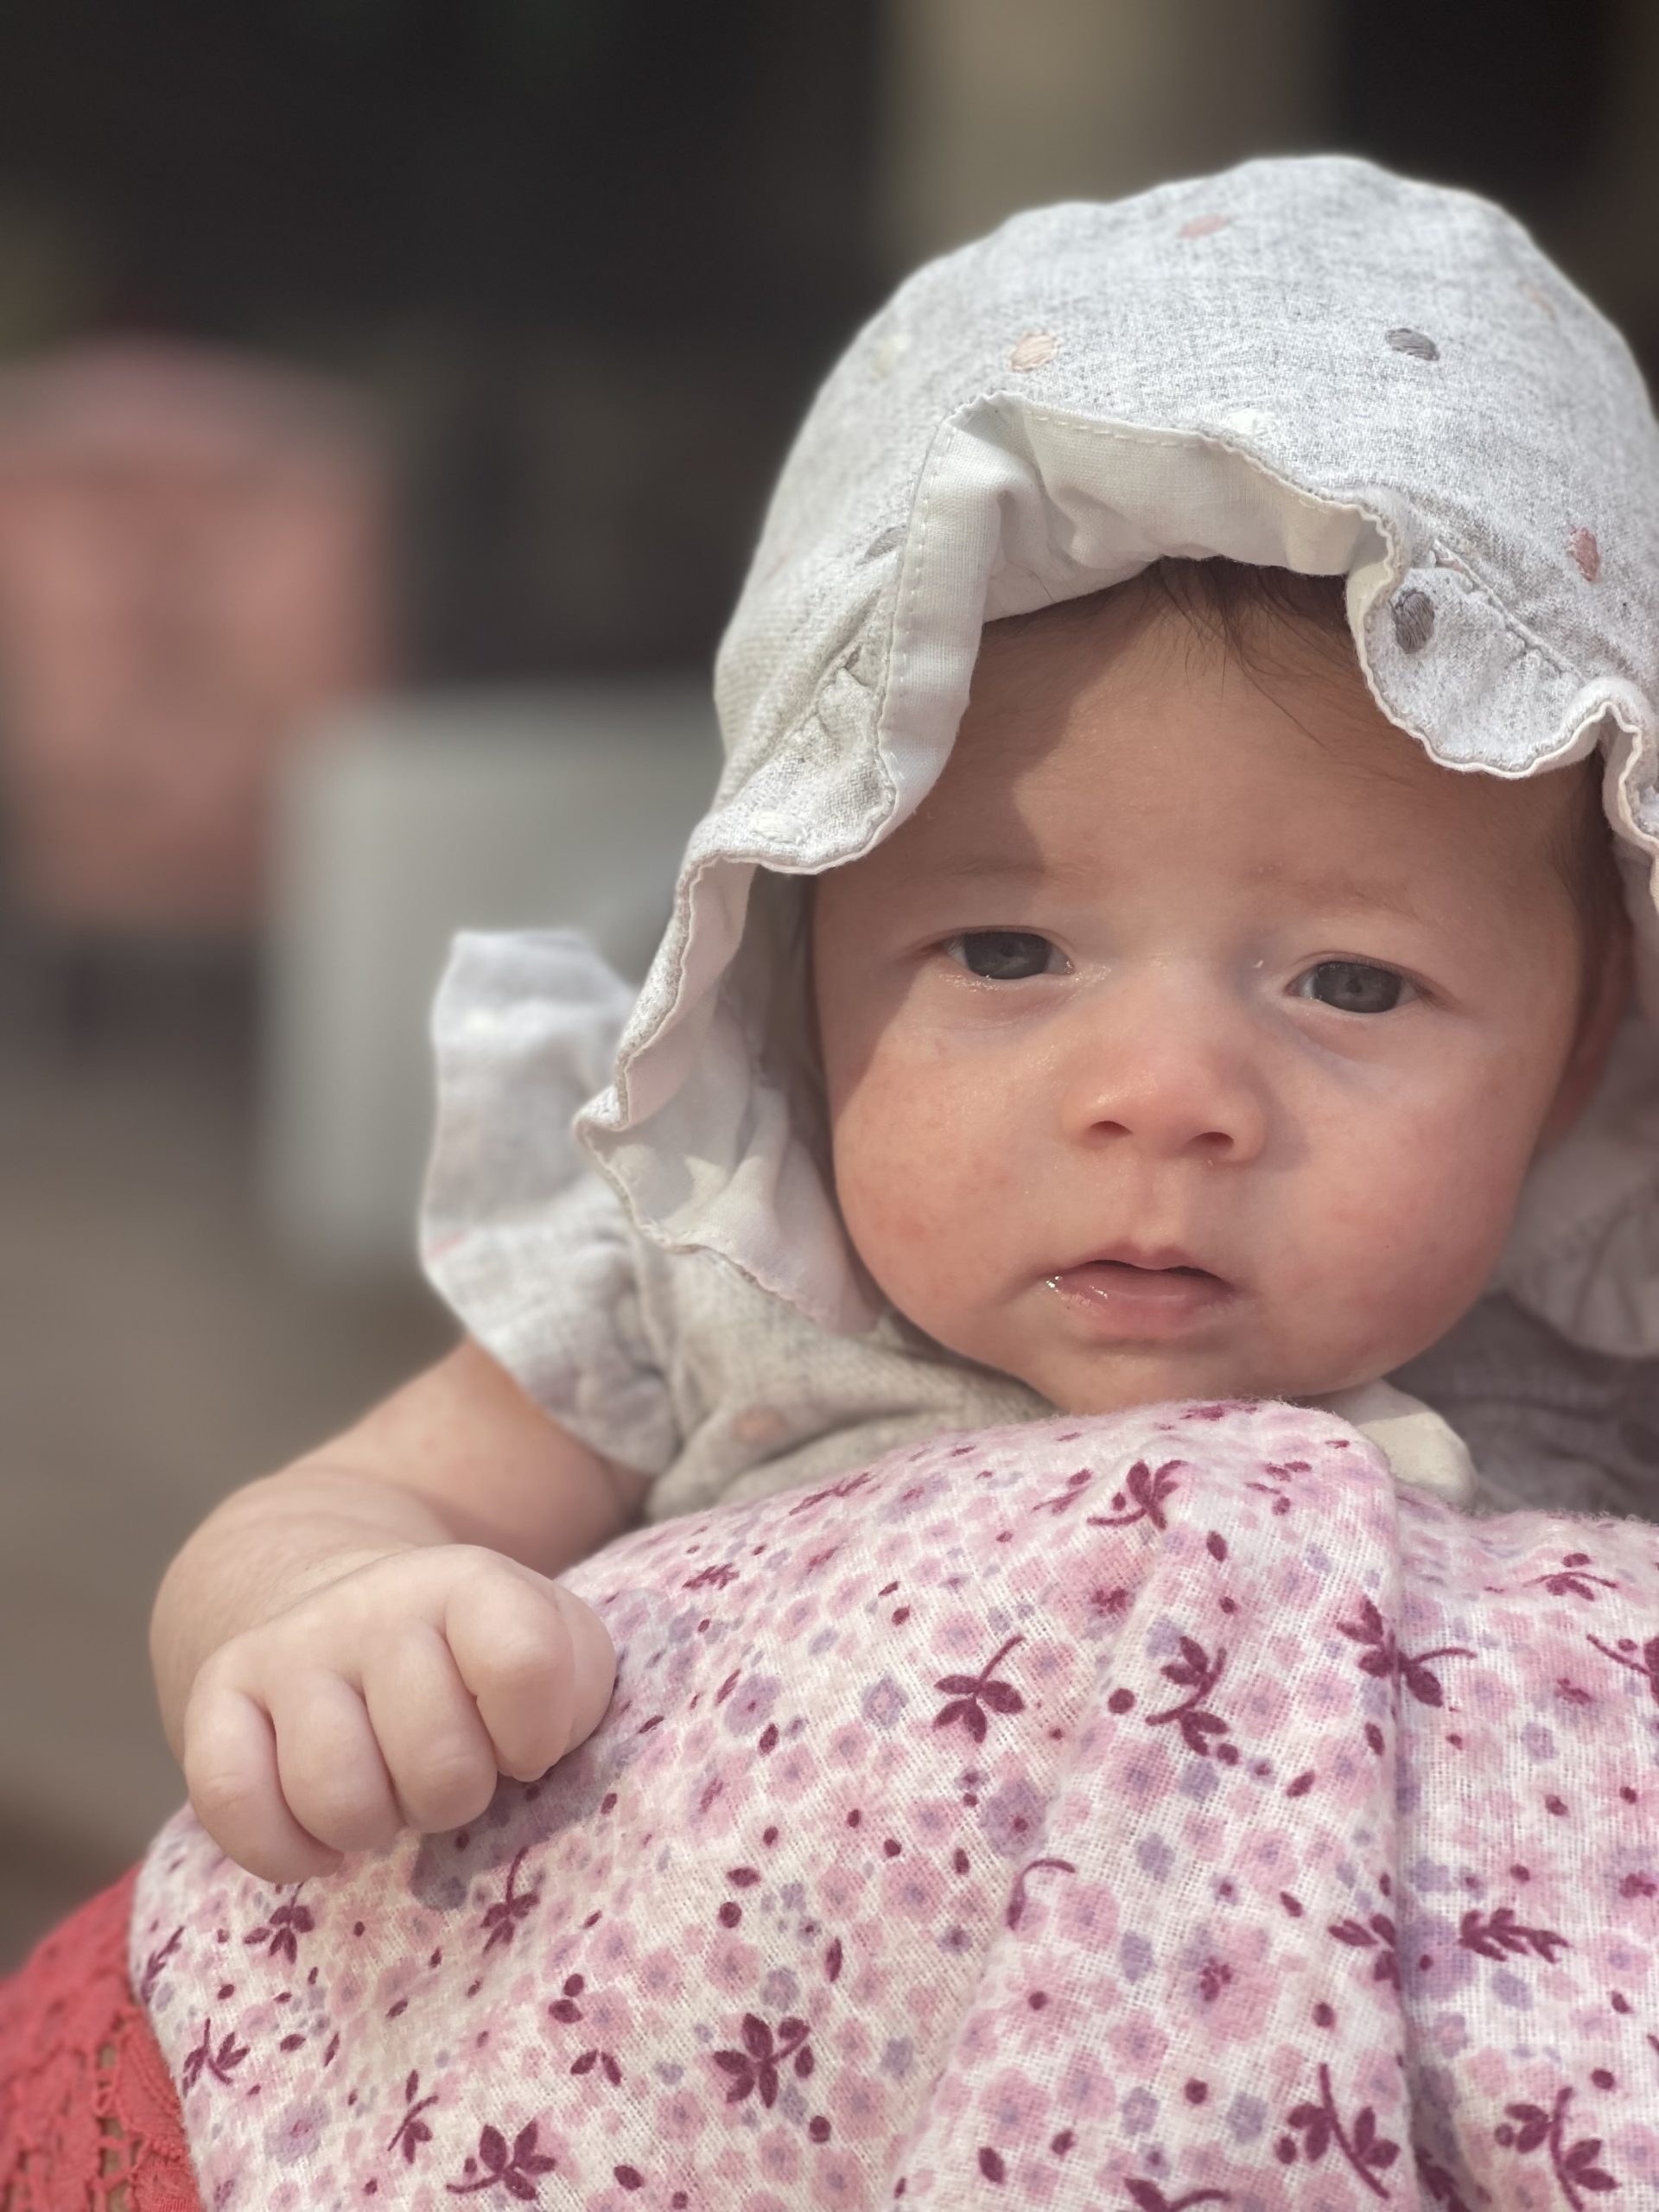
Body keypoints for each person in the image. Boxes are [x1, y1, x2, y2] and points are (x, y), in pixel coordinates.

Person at [146, 152, 1659, 1915]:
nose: (1164, 1101)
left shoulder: (1588, 1370)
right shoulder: (723, 1282)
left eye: (1350, 983)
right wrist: (334, 1621)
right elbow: (321, 1516)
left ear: (1575, 1048)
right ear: (786, 961)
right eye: (1008, 948)